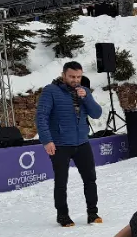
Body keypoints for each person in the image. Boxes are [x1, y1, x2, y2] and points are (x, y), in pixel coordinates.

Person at [36, 61, 104, 228]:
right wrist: (47, 140)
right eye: (72, 76)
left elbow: (96, 114)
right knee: (61, 181)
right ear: (63, 75)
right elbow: (41, 117)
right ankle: (63, 215)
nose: (75, 80)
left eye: (78, 76)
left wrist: (86, 98)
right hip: (60, 144)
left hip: (82, 142)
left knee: (90, 179)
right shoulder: (50, 91)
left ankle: (92, 213)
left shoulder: (84, 91)